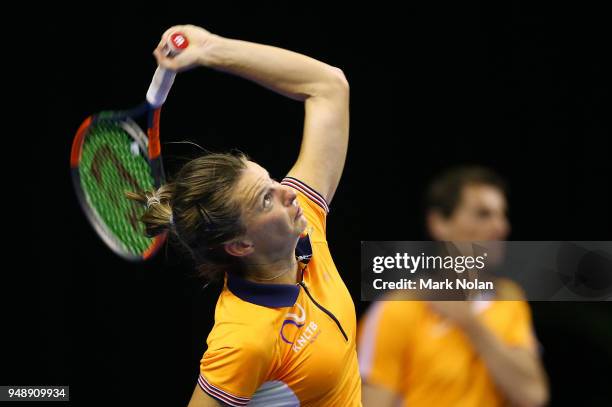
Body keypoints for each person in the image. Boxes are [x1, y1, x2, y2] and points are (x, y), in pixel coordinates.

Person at [128, 25, 360, 406]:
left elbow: (328, 86)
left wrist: (211, 48)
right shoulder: (243, 339)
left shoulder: (304, 231)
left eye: (269, 179)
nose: (288, 192)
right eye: (265, 200)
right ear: (240, 244)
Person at [358, 166, 549, 407]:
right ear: (438, 223)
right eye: (483, 214)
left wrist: (471, 323)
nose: (501, 227)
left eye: (502, 215)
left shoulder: (509, 298)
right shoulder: (396, 309)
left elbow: (533, 396)